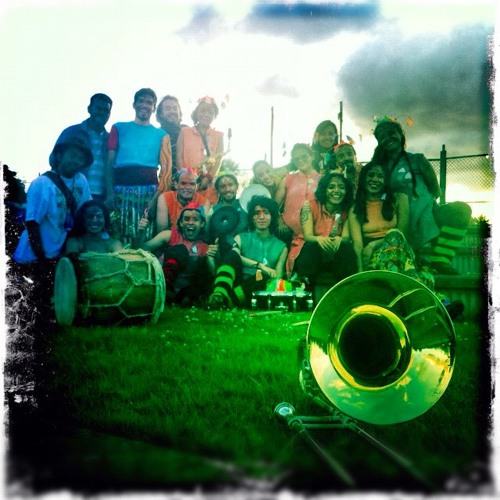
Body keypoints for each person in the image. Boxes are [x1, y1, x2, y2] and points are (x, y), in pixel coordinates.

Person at [372, 116, 471, 274]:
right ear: (379, 142)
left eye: (392, 133)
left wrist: (421, 207)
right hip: (396, 222)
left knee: (461, 210)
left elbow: (436, 190)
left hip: (427, 215)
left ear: (400, 134)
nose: (388, 138)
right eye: (382, 136)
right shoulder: (377, 167)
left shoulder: (418, 159)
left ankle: (440, 260)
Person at [12, 129, 93, 317]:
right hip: (33, 256)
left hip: (58, 254)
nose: (76, 161)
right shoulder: (41, 184)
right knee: (28, 307)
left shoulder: (81, 181)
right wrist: (42, 260)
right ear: (59, 155)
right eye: (72, 155)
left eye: (80, 159)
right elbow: (32, 224)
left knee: (52, 306)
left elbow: (85, 212)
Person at [348, 161, 434, 288]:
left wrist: (374, 244)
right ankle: (414, 288)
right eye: (371, 175)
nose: (375, 179)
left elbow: (401, 234)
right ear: (363, 179)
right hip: (373, 256)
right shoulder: (355, 209)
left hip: (399, 248)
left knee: (394, 236)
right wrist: (361, 271)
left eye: (380, 176)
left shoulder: (399, 199)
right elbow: (358, 245)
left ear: (386, 180)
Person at [105, 88, 172, 244]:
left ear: (153, 108)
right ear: (134, 105)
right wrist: (109, 193)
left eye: (149, 102)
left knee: (145, 239)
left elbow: (166, 171)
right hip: (120, 191)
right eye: (141, 101)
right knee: (118, 237)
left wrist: (156, 200)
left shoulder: (162, 135)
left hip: (149, 194)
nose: (144, 105)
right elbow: (109, 164)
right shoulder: (118, 128)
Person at [207, 196, 288, 309]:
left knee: (262, 278)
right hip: (236, 281)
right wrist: (260, 266)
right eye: (256, 213)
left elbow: (278, 279)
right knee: (232, 254)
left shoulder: (281, 247)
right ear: (251, 218)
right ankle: (219, 294)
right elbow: (233, 257)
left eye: (266, 212)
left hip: (258, 288)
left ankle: (225, 301)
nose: (261, 217)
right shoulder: (241, 238)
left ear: (272, 216)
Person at [135, 202, 217, 306]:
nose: (190, 223)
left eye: (195, 219)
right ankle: (165, 292)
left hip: (185, 291)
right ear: (181, 223)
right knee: (180, 249)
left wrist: (210, 258)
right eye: (186, 219)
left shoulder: (205, 247)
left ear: (202, 224)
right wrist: (141, 233)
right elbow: (141, 250)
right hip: (161, 283)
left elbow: (214, 276)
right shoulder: (169, 235)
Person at [286, 172, 357, 286]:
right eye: (331, 187)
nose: (337, 191)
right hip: (313, 250)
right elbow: (308, 236)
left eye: (341, 187)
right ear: (324, 189)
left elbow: (346, 237)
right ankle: (304, 288)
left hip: (334, 251)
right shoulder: (309, 205)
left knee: (346, 248)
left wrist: (339, 239)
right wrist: (320, 239)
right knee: (312, 247)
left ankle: (347, 288)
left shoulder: (347, 209)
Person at [50, 93, 113, 202]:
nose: (102, 113)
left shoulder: (110, 139)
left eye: (106, 110)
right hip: (72, 195)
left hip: (101, 199)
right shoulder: (72, 132)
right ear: (89, 109)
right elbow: (54, 159)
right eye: (98, 108)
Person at [176, 96, 224, 204]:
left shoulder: (219, 135)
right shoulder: (184, 132)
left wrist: (207, 178)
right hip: (186, 185)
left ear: (215, 116)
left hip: (208, 186)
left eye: (210, 112)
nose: (206, 114)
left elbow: (219, 160)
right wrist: (186, 179)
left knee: (206, 211)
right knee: (186, 211)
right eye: (203, 111)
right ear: (196, 113)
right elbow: (179, 156)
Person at [275, 143, 321, 244]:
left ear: (312, 156)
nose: (300, 160)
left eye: (304, 156)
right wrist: (280, 221)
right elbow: (275, 204)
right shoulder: (288, 178)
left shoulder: (321, 179)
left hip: (314, 234)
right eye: (297, 159)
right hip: (288, 233)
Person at [209, 173, 248, 256]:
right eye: (222, 186)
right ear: (218, 190)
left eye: (230, 185)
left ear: (237, 186)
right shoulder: (213, 211)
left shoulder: (246, 206)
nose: (227, 189)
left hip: (248, 251)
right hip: (225, 254)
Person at [156, 95, 187, 178]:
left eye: (175, 108)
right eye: (168, 109)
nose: (172, 111)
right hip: (167, 181)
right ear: (161, 114)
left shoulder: (187, 131)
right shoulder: (157, 134)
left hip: (191, 180)